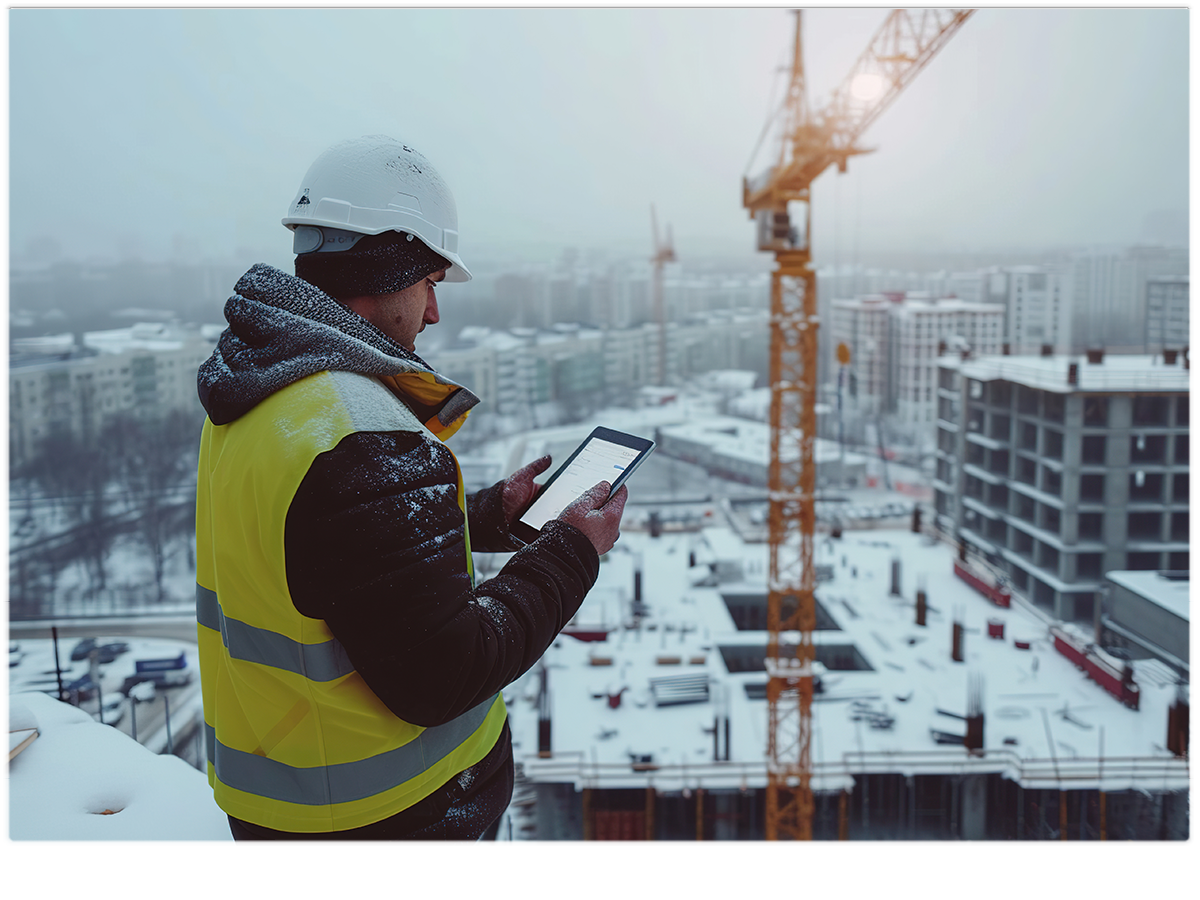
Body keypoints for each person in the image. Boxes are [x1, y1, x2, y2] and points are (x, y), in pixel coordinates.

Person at [194, 135, 627, 845]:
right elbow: (448, 671)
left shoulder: (265, 395)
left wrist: (487, 516)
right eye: (428, 283)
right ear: (385, 268)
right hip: (388, 821)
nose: (433, 314)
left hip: (293, 797)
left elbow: (329, 554)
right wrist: (573, 551)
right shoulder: (360, 435)